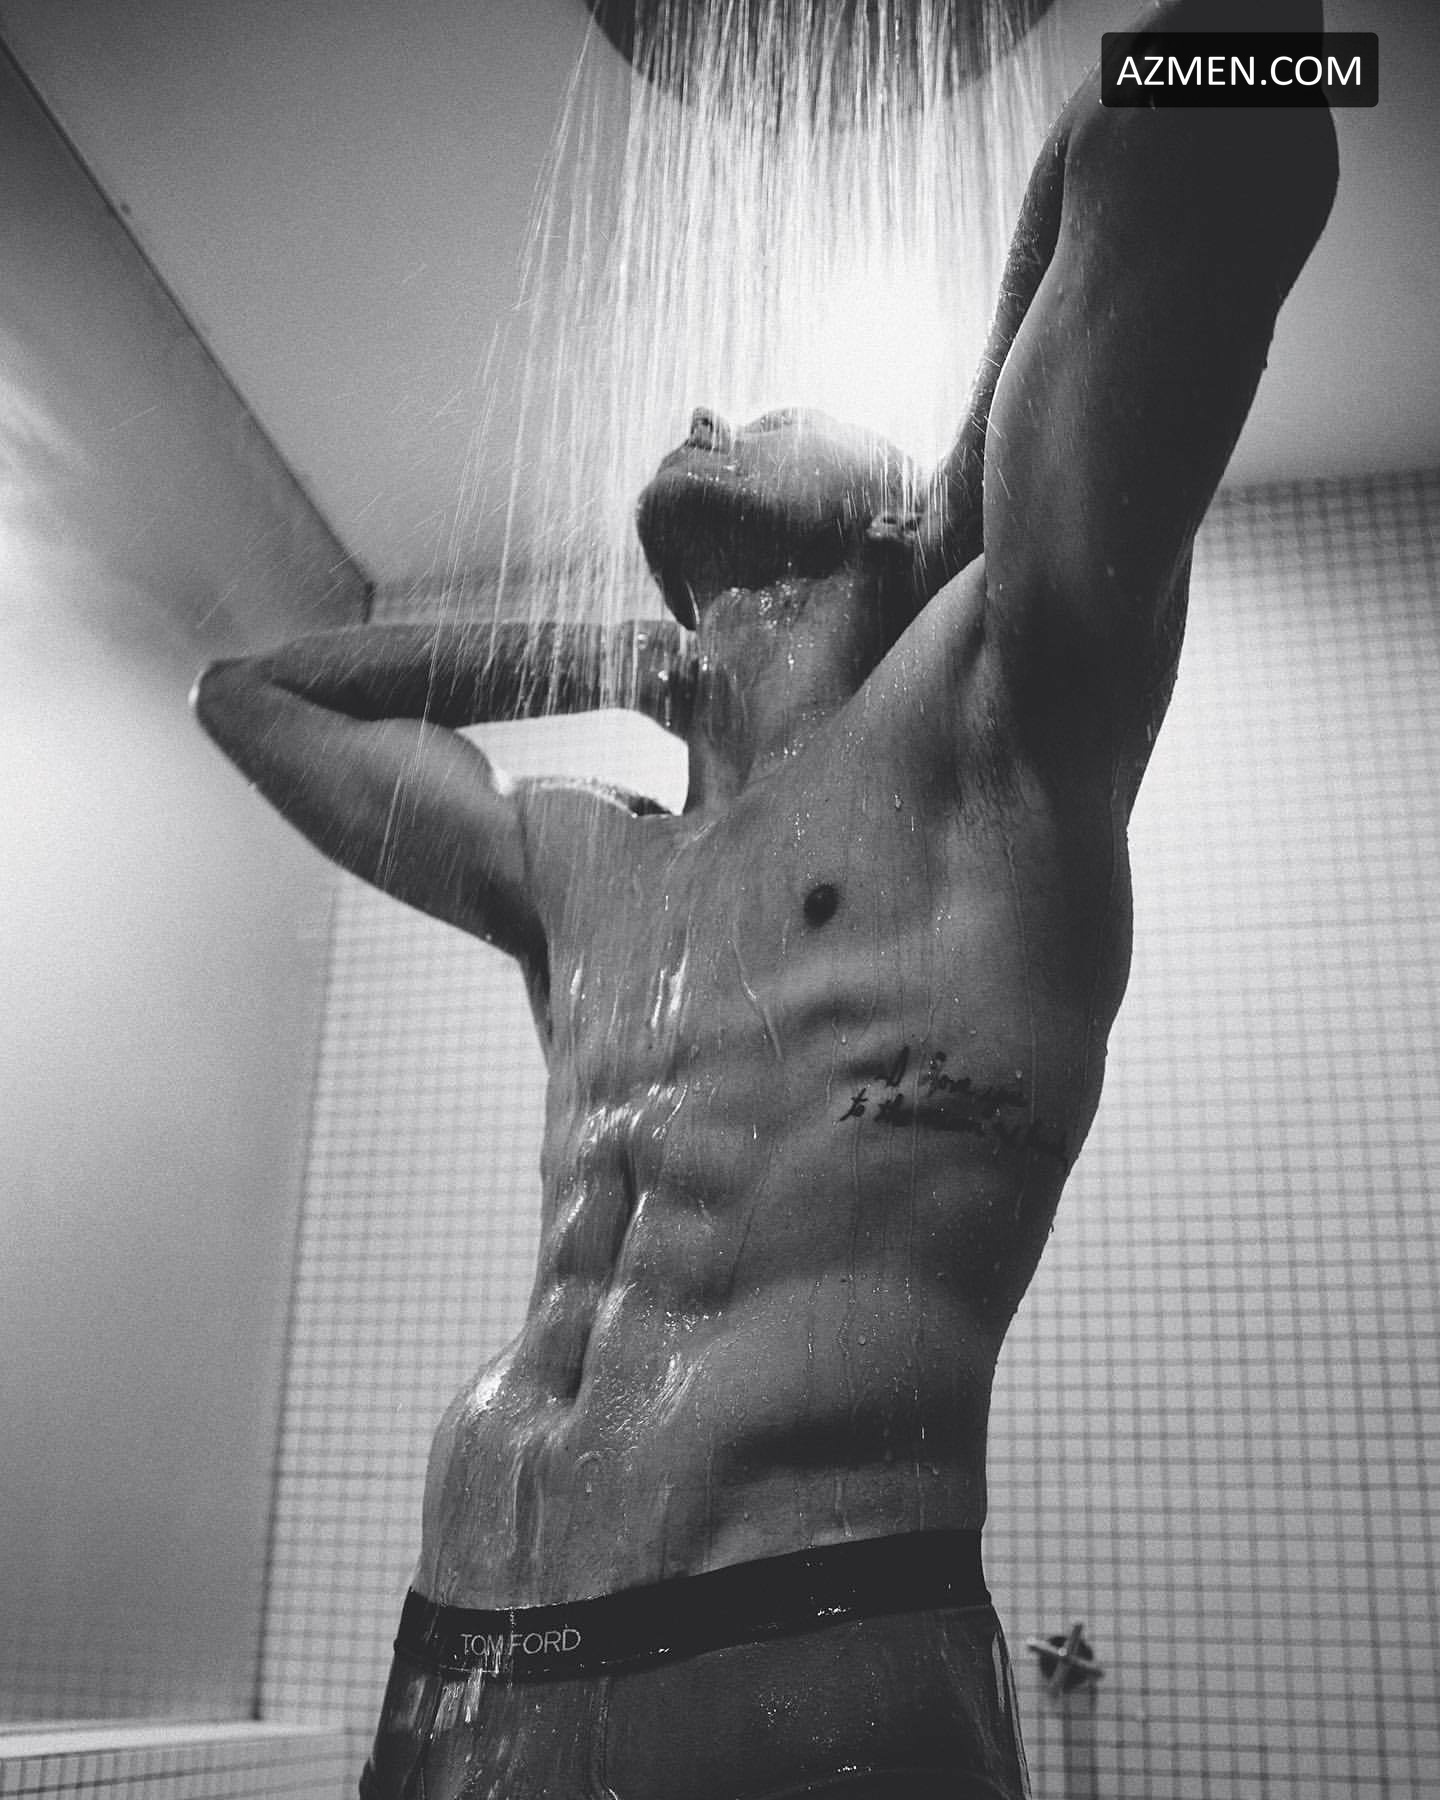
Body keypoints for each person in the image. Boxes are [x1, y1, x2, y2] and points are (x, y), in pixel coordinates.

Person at [194, 2, 1336, 1793]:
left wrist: (961, 501)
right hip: (460, 1660)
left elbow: (1209, 116)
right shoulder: (582, 860)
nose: (712, 411)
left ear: (902, 523)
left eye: (777, 415)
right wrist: (610, 656)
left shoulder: (994, 720)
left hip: (800, 1649)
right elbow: (248, 699)